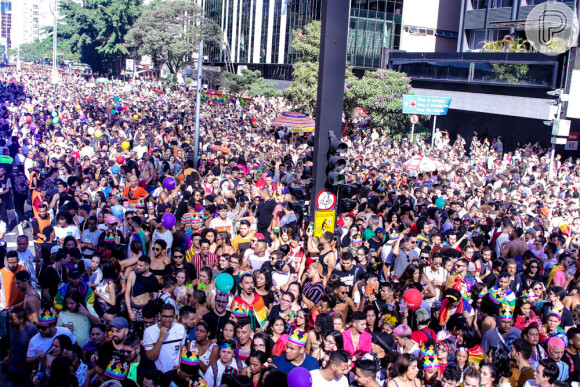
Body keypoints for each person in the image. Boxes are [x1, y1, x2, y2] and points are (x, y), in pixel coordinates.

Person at [143, 303, 186, 372]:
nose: (167, 320)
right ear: (159, 315)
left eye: (170, 317)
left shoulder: (180, 328)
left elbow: (181, 350)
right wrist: (160, 338)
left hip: (175, 372)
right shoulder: (149, 332)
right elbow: (150, 358)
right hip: (158, 374)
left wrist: (181, 366)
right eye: (164, 316)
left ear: (174, 315)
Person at [3, 306, 38, 386]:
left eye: (12, 319)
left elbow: (37, 350)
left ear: (21, 319)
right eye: (9, 318)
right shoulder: (11, 327)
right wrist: (8, 356)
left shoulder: (32, 330)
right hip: (12, 368)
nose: (9, 321)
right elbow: (12, 342)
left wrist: (34, 370)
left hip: (25, 372)